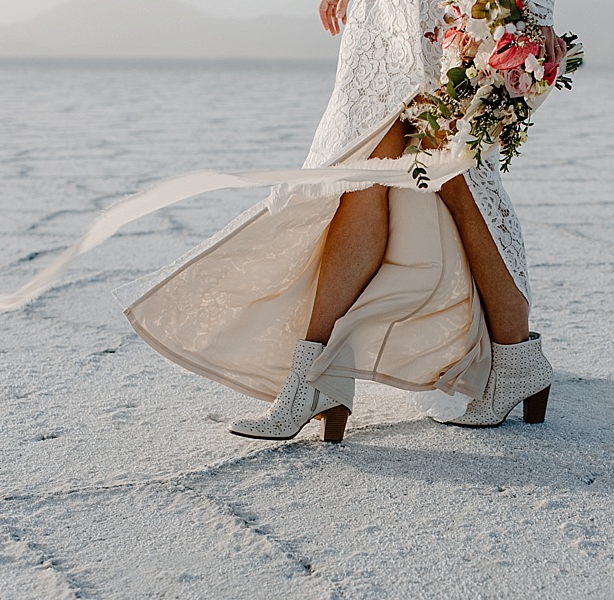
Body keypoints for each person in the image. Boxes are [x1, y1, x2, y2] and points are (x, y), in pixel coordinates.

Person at [115, 0, 569, 442]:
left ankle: (516, 361)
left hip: (456, 13)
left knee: (459, 176)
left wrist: (538, 16)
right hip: (381, 20)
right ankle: (312, 377)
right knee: (355, 174)